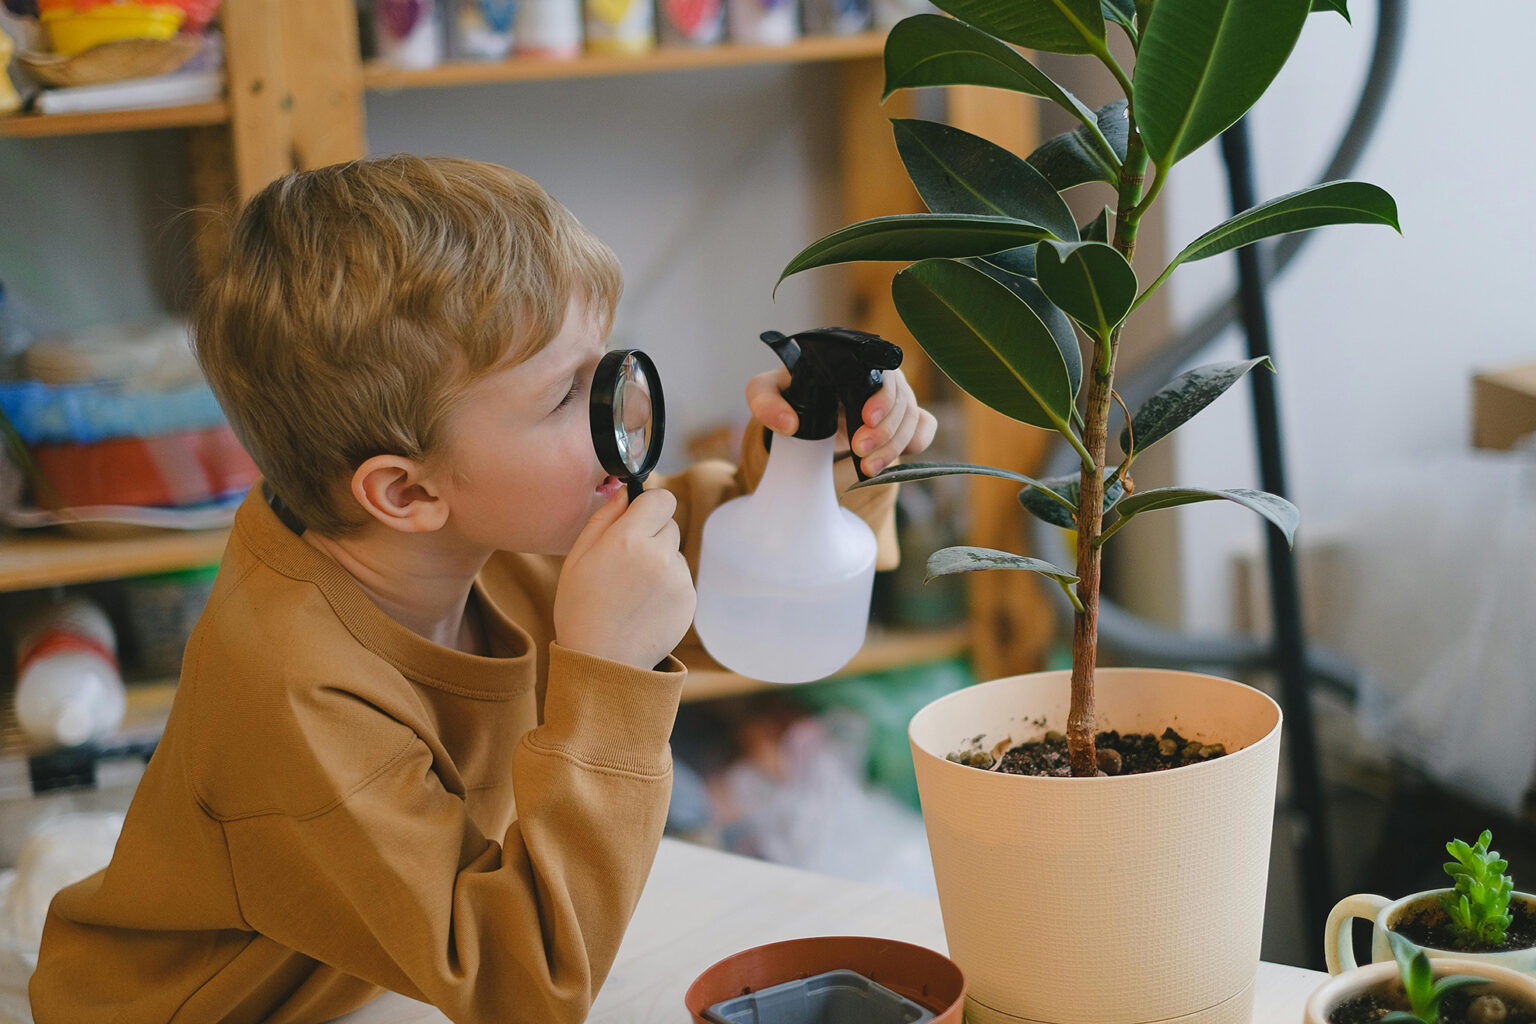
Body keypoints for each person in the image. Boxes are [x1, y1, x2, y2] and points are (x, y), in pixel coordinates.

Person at [29, 154, 936, 1023]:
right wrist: (605, 679)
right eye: (561, 397)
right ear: (407, 490)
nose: (619, 413)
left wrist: (820, 458)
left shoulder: (474, 522)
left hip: (372, 978)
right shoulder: (293, 690)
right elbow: (523, 992)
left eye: (604, 365)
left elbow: (732, 579)